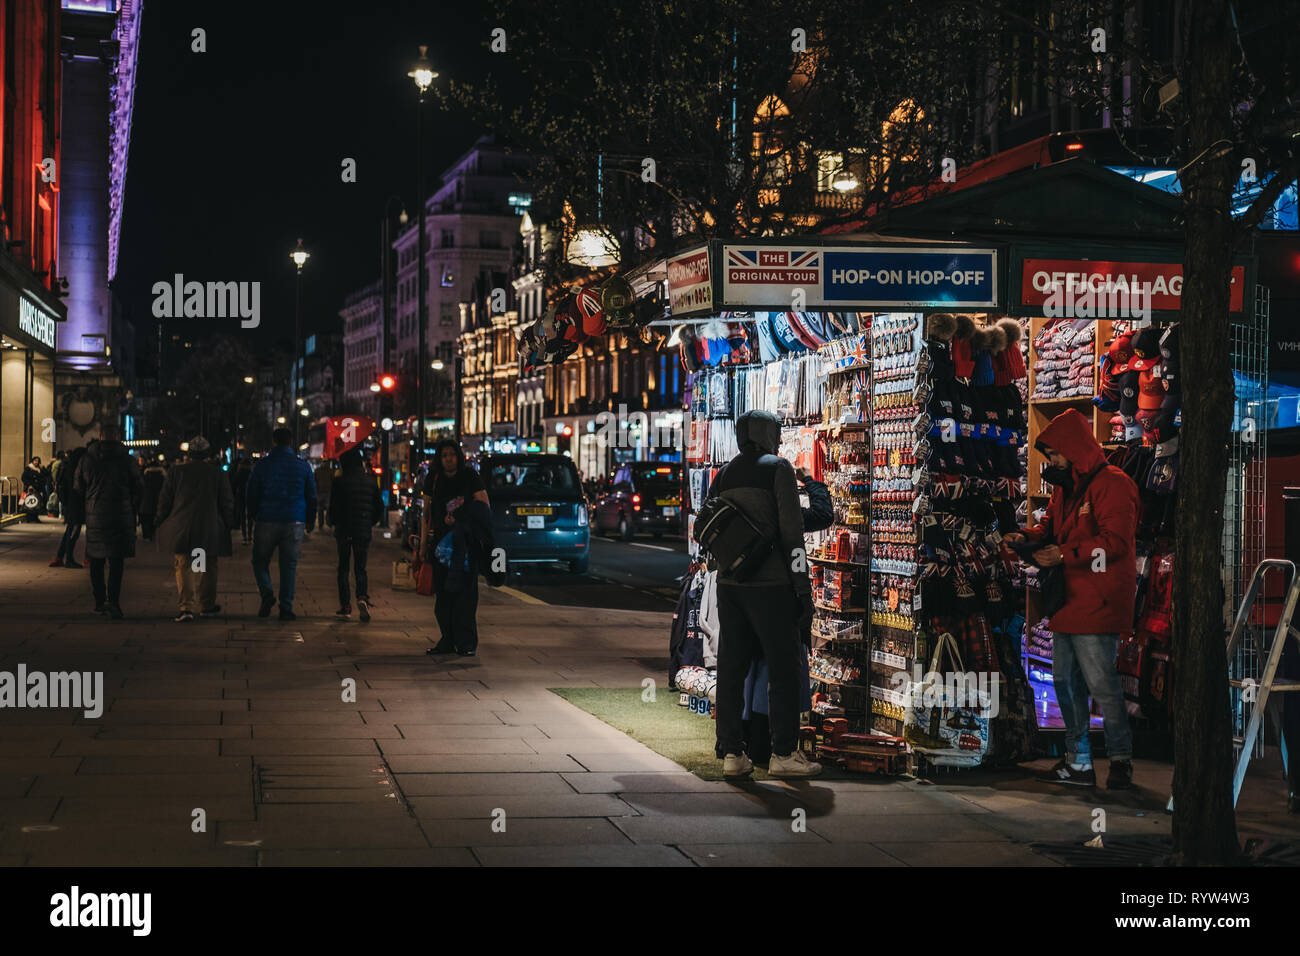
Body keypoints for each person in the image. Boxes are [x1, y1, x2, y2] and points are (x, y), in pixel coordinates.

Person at [1003, 408, 1139, 790]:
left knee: (1100, 683)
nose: (1052, 464)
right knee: (1064, 680)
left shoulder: (1114, 484)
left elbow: (1115, 543)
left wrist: (1065, 555)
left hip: (1098, 601)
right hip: (1069, 598)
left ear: (1074, 449)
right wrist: (1026, 538)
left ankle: (1120, 759)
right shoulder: (1067, 488)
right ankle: (1078, 760)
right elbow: (1051, 528)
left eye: (1056, 455)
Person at [705, 409, 821, 779]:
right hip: (771, 588)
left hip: (730, 585)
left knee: (732, 668)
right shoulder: (779, 469)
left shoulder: (724, 473)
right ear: (770, 434)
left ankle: (732, 754)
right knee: (783, 668)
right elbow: (792, 535)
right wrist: (803, 589)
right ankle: (783, 753)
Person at [420, 439, 489, 656]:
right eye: (444, 455)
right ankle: (447, 640)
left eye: (451, 454)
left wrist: (462, 517)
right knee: (443, 596)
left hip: (465, 544)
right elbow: (426, 514)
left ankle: (467, 643)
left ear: (458, 456)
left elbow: (483, 505)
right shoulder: (434, 478)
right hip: (440, 545)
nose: (448, 458)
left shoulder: (470, 476)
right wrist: (422, 544)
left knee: (466, 596)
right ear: (439, 459)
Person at [154, 436, 234, 622]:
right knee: (207, 566)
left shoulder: (176, 472)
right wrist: (228, 523)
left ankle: (186, 607)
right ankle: (206, 605)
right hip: (208, 525)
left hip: (183, 526)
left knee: (185, 565)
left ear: (189, 454)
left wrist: (159, 519)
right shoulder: (217, 473)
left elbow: (165, 499)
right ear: (208, 454)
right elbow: (226, 501)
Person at [247, 428, 316, 621]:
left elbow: (252, 492)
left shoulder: (262, 465)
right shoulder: (303, 467)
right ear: (291, 442)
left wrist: (252, 514)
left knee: (260, 561)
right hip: (294, 520)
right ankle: (286, 607)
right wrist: (310, 519)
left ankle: (267, 594)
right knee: (289, 565)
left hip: (266, 518)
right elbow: (311, 495)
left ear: (274, 441)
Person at [73, 426, 142, 619]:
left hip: (95, 515)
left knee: (96, 560)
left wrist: (89, 502)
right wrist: (132, 506)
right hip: (120, 515)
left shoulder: (87, 459)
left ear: (101, 437)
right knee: (116, 561)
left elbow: (78, 486)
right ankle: (113, 601)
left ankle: (99, 601)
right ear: (119, 437)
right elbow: (138, 486)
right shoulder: (127, 460)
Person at [329, 448, 385, 621]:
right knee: (361, 567)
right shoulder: (370, 481)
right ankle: (362, 597)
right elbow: (379, 507)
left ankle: (345, 605)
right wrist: (370, 522)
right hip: (362, 529)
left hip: (344, 529)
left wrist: (333, 522)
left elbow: (334, 507)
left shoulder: (339, 481)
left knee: (343, 568)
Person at [49, 446, 87, 568]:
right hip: (76, 505)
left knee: (69, 531)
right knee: (73, 532)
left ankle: (60, 557)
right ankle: (69, 559)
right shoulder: (76, 470)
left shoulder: (67, 467)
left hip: (70, 504)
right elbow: (78, 488)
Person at [138, 456, 167, 541]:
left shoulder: (144, 476)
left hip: (145, 501)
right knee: (156, 517)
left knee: (146, 519)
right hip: (159, 501)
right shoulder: (163, 477)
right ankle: (155, 534)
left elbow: (139, 489)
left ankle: (147, 535)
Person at [231, 456, 254, 544]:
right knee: (250, 516)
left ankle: (245, 536)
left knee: (242, 516)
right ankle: (250, 535)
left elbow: (234, 484)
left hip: (240, 495)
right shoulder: (251, 473)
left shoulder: (239, 473)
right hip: (250, 495)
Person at [21, 455, 47, 522]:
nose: (36, 462)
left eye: (38, 461)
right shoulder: (28, 468)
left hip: (38, 488)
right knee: (29, 503)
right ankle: (29, 518)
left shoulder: (40, 469)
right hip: (30, 488)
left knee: (37, 503)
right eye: (35, 461)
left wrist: (43, 468)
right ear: (32, 461)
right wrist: (29, 484)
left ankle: (35, 517)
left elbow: (46, 475)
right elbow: (23, 478)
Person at [314, 460, 334, 531]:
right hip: (321, 493)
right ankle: (322, 524)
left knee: (326, 509)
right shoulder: (319, 471)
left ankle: (327, 523)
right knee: (321, 510)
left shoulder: (329, 471)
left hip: (326, 492)